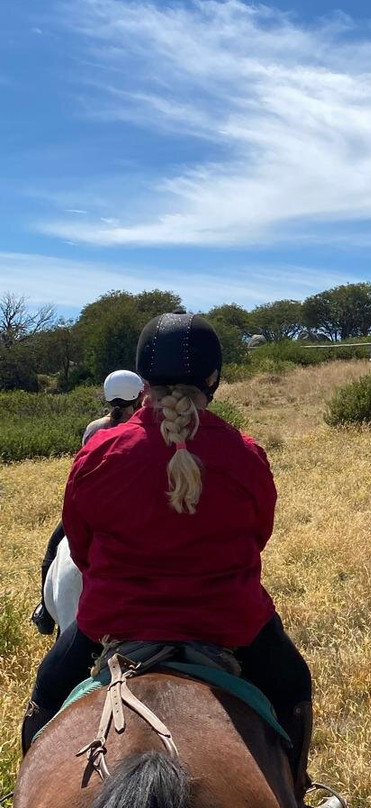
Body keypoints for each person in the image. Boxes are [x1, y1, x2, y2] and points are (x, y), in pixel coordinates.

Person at [20, 312, 329, 807]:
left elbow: (80, 548)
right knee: (292, 684)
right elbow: (258, 537)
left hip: (113, 622)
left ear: (143, 380)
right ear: (214, 380)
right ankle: (298, 785)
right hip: (230, 623)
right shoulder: (246, 455)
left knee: (46, 698)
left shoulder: (98, 453)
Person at [29, 369, 146, 636]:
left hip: (92, 511)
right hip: (136, 512)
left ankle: (45, 612)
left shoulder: (95, 428)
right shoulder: (145, 428)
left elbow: (81, 474)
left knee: (52, 550)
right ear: (139, 396)